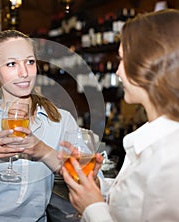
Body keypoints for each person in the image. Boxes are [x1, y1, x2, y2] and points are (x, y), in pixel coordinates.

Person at [0, 29, 103, 221]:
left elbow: (93, 186)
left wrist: (43, 151)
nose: (24, 73)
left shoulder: (60, 121)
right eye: (12, 64)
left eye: (30, 62)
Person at [60, 9, 179, 221]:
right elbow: (134, 203)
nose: (117, 72)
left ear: (149, 65)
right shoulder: (151, 137)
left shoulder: (171, 159)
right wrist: (97, 188)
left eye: (123, 60)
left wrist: (92, 207)